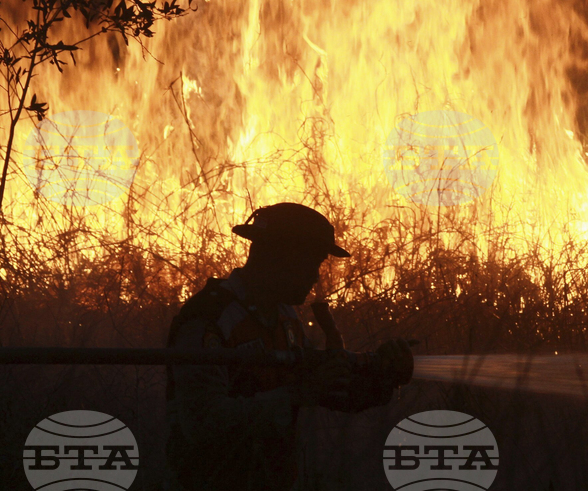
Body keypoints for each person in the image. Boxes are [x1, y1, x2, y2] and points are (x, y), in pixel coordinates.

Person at [165, 203, 414, 491]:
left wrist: (383, 378)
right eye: (313, 262)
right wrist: (299, 392)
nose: (316, 276)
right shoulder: (209, 317)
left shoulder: (285, 317)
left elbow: (328, 391)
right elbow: (202, 422)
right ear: (281, 255)